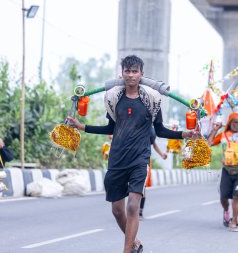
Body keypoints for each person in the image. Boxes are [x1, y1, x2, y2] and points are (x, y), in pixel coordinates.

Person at [67, 55, 192, 253]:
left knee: (133, 206)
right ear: (122, 73)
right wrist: (82, 127)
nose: (131, 75)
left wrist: (185, 134)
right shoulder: (114, 98)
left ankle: (126, 251)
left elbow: (159, 130)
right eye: (128, 71)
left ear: (142, 74)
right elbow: (110, 128)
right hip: (117, 159)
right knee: (117, 210)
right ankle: (134, 243)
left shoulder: (152, 100)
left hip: (139, 160)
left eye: (135, 71)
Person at [207, 112, 238, 232]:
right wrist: (215, 130)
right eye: (235, 122)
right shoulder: (223, 135)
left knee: (236, 196)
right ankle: (226, 210)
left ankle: (234, 221)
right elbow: (209, 143)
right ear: (230, 123)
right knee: (223, 198)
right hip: (226, 171)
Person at [139, 128, 167, 220]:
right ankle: (133, 210)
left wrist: (162, 154)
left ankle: (140, 211)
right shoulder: (133, 123)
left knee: (143, 186)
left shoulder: (150, 129)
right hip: (131, 157)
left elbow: (154, 144)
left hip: (144, 159)